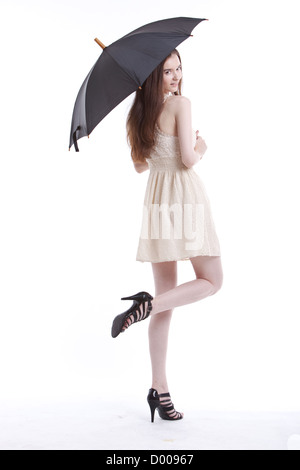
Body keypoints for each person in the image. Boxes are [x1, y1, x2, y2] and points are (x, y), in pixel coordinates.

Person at [111, 49, 223, 423]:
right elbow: (189, 160)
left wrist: (166, 145)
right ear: (152, 76)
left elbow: (140, 165)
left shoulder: (137, 114)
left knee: (166, 298)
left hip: (158, 203)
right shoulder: (181, 104)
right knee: (211, 281)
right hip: (185, 200)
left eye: (178, 70)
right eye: (167, 72)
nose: (175, 77)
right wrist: (199, 146)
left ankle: (160, 389)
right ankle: (148, 306)